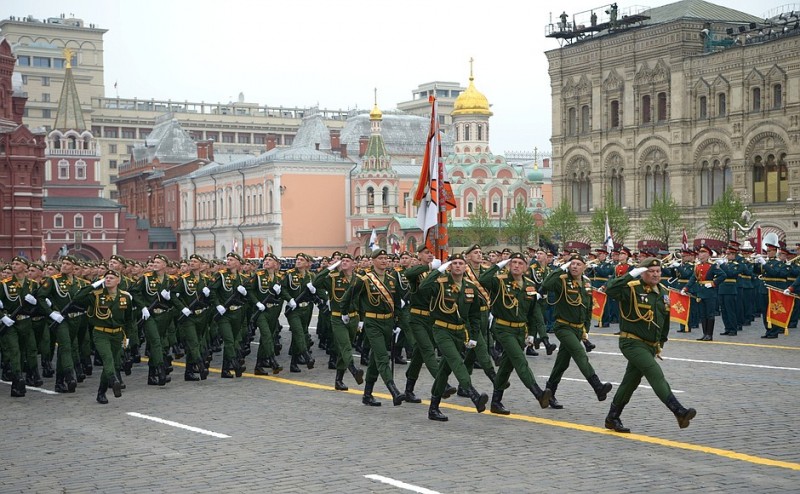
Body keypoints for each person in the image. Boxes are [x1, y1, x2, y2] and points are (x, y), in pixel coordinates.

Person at [604, 257, 697, 432]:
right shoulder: (631, 289)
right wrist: (630, 275)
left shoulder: (663, 292)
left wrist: (659, 343)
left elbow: (665, 320)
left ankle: (612, 417)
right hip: (631, 342)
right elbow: (610, 290)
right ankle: (679, 411)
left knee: (630, 382)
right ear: (642, 272)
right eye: (650, 271)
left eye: (658, 271)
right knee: (655, 373)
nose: (655, 274)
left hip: (649, 345)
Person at [419, 253, 489, 421]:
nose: (457, 266)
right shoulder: (440, 284)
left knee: (444, 370)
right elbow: (423, 288)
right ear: (449, 267)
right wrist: (438, 270)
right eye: (454, 263)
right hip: (442, 330)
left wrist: (473, 335)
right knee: (457, 361)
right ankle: (473, 394)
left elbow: (474, 315)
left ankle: (433, 409)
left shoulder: (470, 287)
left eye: (460, 263)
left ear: (465, 267)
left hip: (459, 332)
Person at [479, 252, 552, 415]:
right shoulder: (500, 281)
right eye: (513, 263)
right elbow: (482, 280)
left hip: (520, 331)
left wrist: (532, 333)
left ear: (525, 267)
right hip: (503, 329)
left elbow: (533, 312)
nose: (517, 265)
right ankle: (538, 394)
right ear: (509, 265)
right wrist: (498, 265)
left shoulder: (530, 285)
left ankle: (496, 402)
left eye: (520, 263)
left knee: (506, 367)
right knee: (520, 360)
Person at [541, 254, 612, 408]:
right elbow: (545, 285)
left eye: (578, 264)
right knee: (580, 354)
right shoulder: (561, 280)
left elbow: (587, 308)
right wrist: (560, 268)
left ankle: (549, 392)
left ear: (584, 267)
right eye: (572, 264)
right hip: (563, 326)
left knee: (562, 363)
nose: (574, 266)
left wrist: (585, 330)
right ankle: (598, 387)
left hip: (578, 328)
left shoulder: (586, 283)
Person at [340, 249, 405, 407]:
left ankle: (367, 394)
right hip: (372, 322)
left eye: (386, 258)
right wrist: (344, 313)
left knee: (376, 360)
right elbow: (348, 296)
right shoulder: (364, 279)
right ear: (373, 260)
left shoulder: (391, 279)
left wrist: (397, 322)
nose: (384, 260)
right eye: (380, 258)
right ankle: (394, 390)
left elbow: (397, 303)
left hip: (387, 323)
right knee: (383, 357)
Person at [73, 270, 134, 404]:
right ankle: (113, 380)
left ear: (118, 281)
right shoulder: (96, 295)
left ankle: (101, 392)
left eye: (111, 278)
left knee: (111, 362)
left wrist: (128, 336)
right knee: (108, 358)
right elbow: (77, 298)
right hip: (101, 333)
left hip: (118, 334)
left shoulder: (125, 297)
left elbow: (129, 319)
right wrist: (94, 285)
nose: (108, 280)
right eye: (106, 278)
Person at [312, 254, 364, 390]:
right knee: (345, 345)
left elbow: (362, 300)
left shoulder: (358, 279)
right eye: (343, 261)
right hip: (337, 318)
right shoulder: (333, 278)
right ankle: (353, 370)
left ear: (354, 264)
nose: (344, 262)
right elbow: (316, 283)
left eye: (348, 261)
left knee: (344, 350)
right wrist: (329, 268)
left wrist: (362, 320)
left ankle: (338, 380)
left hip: (353, 318)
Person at [0, 256, 41, 397]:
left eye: (17, 264)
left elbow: (39, 305)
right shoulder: (4, 284)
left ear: (25, 267)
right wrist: (2, 316)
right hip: (11, 323)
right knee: (15, 351)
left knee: (30, 349)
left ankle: (32, 374)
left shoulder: (32, 285)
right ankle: (17, 381)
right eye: (13, 263)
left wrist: (36, 302)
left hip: (27, 322)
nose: (14, 265)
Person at [279, 253, 316, 372]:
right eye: (297, 259)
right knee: (298, 332)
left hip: (306, 309)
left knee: (300, 334)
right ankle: (306, 356)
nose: (298, 261)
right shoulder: (289, 274)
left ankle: (293, 363)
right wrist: (289, 299)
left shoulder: (311, 276)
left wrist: (314, 291)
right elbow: (283, 289)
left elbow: (317, 291)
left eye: (301, 260)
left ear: (307, 263)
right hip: (293, 309)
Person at [683, 246, 724, 341]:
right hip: (700, 292)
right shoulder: (697, 266)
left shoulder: (713, 265)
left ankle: (709, 334)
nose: (700, 254)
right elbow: (693, 278)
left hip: (709, 292)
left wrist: (713, 283)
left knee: (710, 314)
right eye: (699, 252)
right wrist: (686, 288)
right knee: (702, 314)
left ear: (708, 254)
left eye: (702, 252)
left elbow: (723, 275)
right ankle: (704, 334)